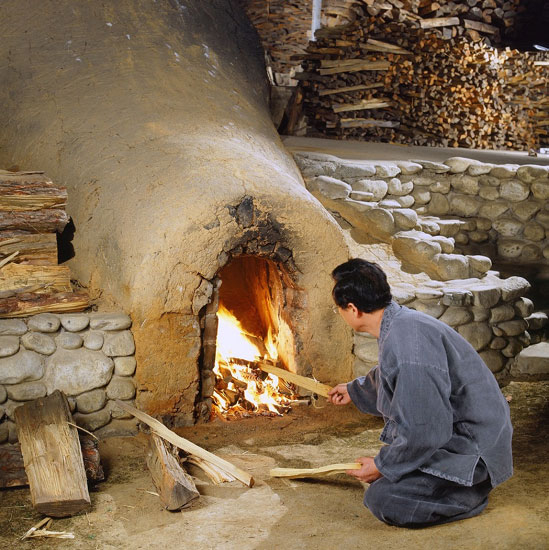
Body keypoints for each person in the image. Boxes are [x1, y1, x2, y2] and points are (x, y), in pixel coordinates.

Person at [328, 258, 513, 528]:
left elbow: (426, 429)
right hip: (458, 435)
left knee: (383, 498)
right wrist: (355, 391)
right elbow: (391, 375)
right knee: (395, 471)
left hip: (473, 449)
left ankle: (467, 493)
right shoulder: (400, 323)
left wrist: (382, 466)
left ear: (353, 309)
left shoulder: (407, 342)